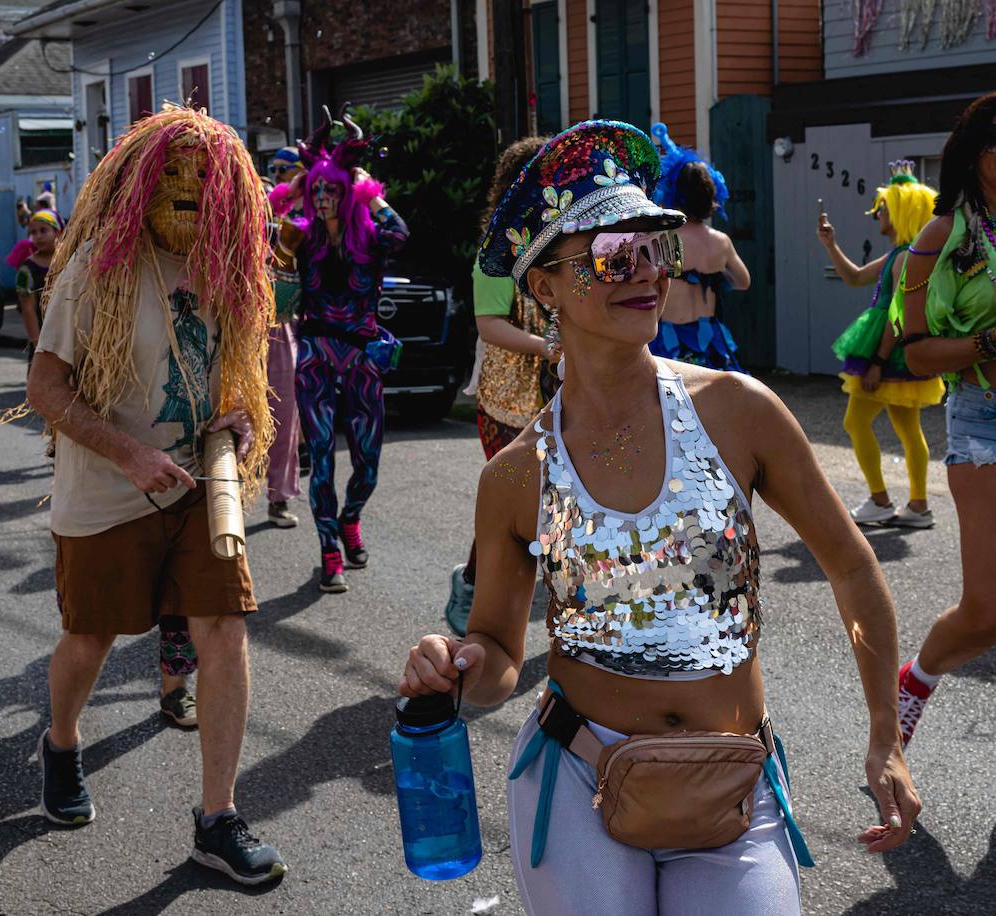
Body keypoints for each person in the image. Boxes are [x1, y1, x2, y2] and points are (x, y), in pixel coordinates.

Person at [401, 120, 920, 914]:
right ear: (544, 287)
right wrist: (459, 663)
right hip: (577, 773)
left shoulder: (740, 412)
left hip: (732, 779)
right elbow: (503, 649)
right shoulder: (515, 476)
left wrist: (886, 735)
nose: (644, 272)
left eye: (655, 246)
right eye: (612, 254)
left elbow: (851, 565)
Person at [26, 104, 286, 884]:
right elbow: (45, 386)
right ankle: (62, 745)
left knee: (224, 630)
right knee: (91, 638)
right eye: (171, 172)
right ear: (141, 180)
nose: (188, 187)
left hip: (201, 489)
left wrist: (237, 417)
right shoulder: (97, 266)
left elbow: (230, 376)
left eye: (204, 176)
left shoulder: (230, 264)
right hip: (108, 489)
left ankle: (218, 818)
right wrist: (129, 454)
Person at [891, 91, 996, 745]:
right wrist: (988, 343)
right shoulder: (942, 236)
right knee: (986, 610)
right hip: (982, 419)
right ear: (981, 157)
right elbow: (917, 352)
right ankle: (916, 679)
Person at [269, 110, 409, 592]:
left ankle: (351, 518)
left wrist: (370, 191)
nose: (325, 198)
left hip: (363, 355)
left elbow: (401, 234)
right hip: (314, 354)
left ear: (348, 193)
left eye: (334, 190)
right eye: (319, 190)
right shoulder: (301, 237)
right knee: (323, 457)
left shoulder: (371, 236)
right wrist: (293, 190)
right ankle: (329, 547)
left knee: (368, 461)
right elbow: (269, 237)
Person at [443, 135, 561, 635]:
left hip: (559, 390)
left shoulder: (563, 237)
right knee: (512, 500)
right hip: (505, 399)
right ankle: (472, 588)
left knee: (559, 502)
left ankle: (567, 615)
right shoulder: (496, 246)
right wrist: (547, 347)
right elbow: (489, 323)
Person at [818, 161, 942, 529]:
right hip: (899, 355)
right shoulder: (901, 254)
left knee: (855, 422)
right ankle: (917, 506)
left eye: (884, 207)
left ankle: (880, 500)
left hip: (889, 355)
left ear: (902, 210)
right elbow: (854, 277)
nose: (877, 214)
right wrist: (831, 245)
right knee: (907, 429)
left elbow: (896, 313)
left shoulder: (905, 256)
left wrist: (877, 361)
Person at [647, 124, 750, 372]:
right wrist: (713, 277)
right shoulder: (720, 241)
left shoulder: (666, 238)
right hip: (711, 339)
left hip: (671, 341)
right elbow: (743, 282)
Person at [264, 152, 305, 529]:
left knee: (283, 417)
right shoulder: (264, 209)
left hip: (284, 329)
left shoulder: (314, 222)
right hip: (244, 331)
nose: (277, 176)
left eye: (285, 171)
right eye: (273, 170)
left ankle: (278, 497)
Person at [16, 208, 60, 352]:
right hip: (44, 341)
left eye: (43, 230)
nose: (38, 236)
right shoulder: (25, 269)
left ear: (58, 232)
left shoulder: (71, 261)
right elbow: (27, 310)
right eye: (34, 232)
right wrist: (38, 346)